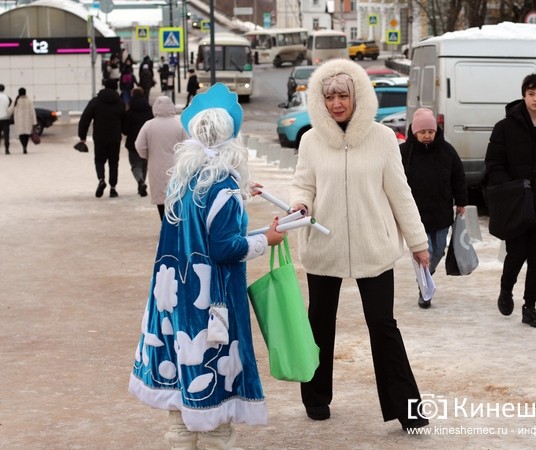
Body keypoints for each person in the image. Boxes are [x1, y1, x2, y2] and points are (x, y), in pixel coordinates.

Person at [129, 84, 285, 449]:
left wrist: (242, 191)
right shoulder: (224, 188)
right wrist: (266, 240)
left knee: (180, 400)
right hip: (212, 305)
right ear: (232, 139)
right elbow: (225, 246)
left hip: (173, 300)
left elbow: (198, 225)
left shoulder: (183, 181)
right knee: (215, 404)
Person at [289, 58, 430, 431]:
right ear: (321, 100)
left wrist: (417, 242)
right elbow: (304, 184)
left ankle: (408, 409)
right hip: (324, 246)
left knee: (383, 325)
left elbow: (400, 194)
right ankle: (316, 397)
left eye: (343, 95)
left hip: (374, 248)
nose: (336, 103)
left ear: (358, 97)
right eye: (330, 96)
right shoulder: (310, 140)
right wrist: (299, 204)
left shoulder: (383, 138)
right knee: (319, 324)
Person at [484, 73, 536, 328]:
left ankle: (530, 307)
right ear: (524, 94)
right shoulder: (505, 127)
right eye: (532, 94)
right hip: (517, 204)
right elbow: (493, 163)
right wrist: (511, 188)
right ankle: (506, 289)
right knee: (516, 254)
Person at [400, 107, 468, 308]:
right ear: (414, 132)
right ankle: (424, 288)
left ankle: (426, 275)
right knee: (424, 251)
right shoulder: (404, 153)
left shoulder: (447, 151)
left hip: (441, 212)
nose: (427, 136)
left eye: (430, 131)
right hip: (416, 215)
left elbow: (459, 177)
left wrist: (461, 202)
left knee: (438, 250)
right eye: (423, 132)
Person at [134, 96, 188, 220]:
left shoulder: (148, 125)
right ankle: (176, 223)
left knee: (161, 197)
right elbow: (188, 144)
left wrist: (147, 156)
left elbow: (139, 145)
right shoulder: (180, 123)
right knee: (177, 195)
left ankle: (164, 223)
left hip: (156, 166)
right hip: (177, 166)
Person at [78, 78, 126, 198]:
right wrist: (125, 131)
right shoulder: (120, 102)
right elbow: (125, 120)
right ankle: (113, 188)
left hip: (99, 137)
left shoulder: (96, 101)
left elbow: (85, 119)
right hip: (115, 137)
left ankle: (101, 180)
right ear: (116, 87)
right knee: (113, 162)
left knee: (99, 160)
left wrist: (82, 136)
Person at [122, 87, 153, 197]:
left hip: (132, 142)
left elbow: (125, 130)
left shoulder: (129, 112)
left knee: (135, 165)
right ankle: (142, 182)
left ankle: (140, 181)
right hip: (146, 142)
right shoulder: (149, 110)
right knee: (144, 165)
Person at [12, 88, 37, 155]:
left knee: (21, 134)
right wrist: (34, 122)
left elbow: (10, 110)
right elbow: (33, 112)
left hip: (19, 121)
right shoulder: (29, 100)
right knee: (26, 134)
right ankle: (25, 146)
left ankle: (23, 146)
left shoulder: (16, 100)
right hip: (28, 121)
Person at [0, 84, 12, 154]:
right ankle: (7, 149)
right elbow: (10, 107)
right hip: (5, 119)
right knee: (6, 135)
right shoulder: (7, 98)